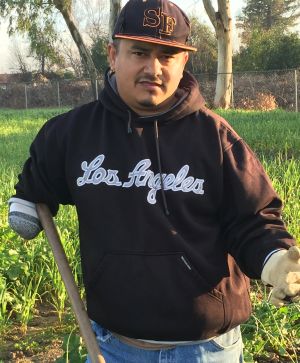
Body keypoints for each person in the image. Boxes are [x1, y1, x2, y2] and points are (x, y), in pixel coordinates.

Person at [8, 0, 300, 362]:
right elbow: (41, 176)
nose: (154, 68)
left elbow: (254, 219)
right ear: (113, 55)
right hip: (112, 346)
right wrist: (26, 201)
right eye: (140, 52)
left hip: (206, 350)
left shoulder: (216, 139)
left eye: (167, 55)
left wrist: (272, 259)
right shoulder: (73, 133)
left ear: (183, 63)